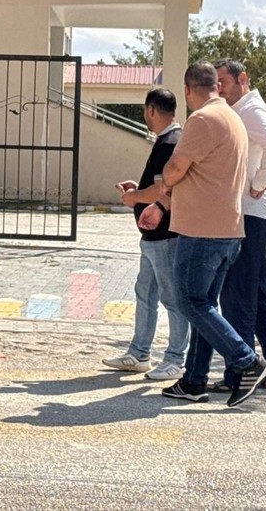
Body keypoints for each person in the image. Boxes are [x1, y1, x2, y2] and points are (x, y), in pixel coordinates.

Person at [139, 62, 266, 407]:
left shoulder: (202, 120)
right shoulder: (233, 119)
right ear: (216, 85)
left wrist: (164, 183)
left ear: (187, 89)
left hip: (202, 231)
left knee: (190, 302)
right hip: (229, 229)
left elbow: (176, 168)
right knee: (205, 304)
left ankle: (248, 362)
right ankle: (194, 380)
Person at [211, 59, 266, 391]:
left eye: (223, 81)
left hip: (250, 213)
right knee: (258, 294)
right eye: (216, 82)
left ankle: (240, 374)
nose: (219, 87)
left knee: (237, 296)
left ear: (242, 79)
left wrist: (258, 183)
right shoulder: (243, 109)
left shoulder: (252, 110)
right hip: (254, 214)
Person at [102, 88, 190, 381]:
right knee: (146, 293)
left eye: (145, 112)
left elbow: (163, 189)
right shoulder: (169, 140)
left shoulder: (170, 142)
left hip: (164, 236)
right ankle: (139, 353)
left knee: (171, 298)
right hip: (154, 237)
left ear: (151, 110)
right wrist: (138, 190)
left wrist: (134, 197)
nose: (145, 117)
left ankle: (176, 358)